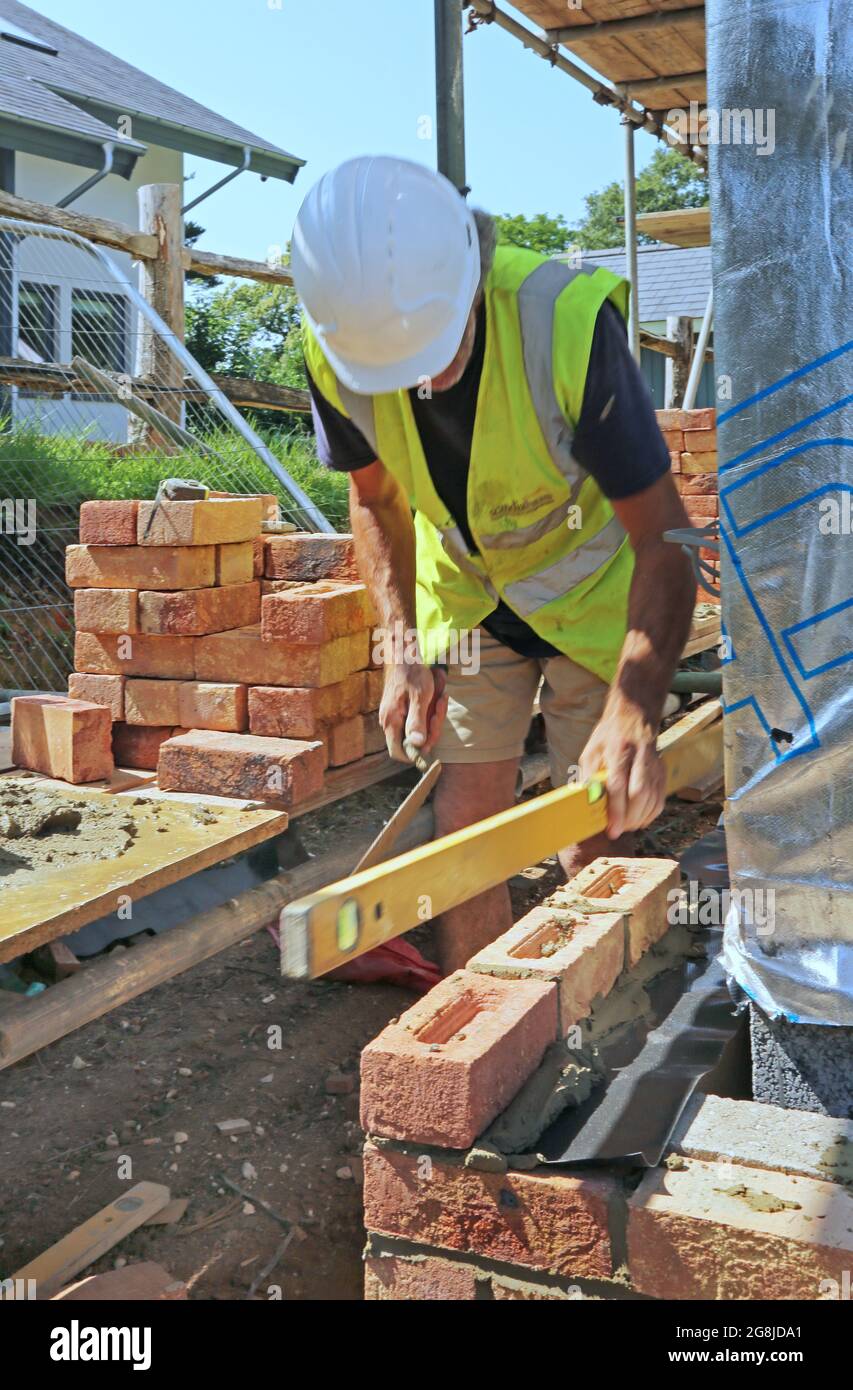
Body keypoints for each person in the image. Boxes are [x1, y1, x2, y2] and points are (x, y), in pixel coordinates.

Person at [292, 155, 694, 972]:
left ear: (473, 275)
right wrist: (401, 647)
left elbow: (666, 539)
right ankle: (483, 1031)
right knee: (466, 826)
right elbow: (375, 502)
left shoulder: (566, 322)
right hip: (472, 598)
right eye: (398, 368)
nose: (422, 381)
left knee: (594, 823)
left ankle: (597, 1037)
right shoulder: (335, 343)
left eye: (436, 353)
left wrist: (636, 708)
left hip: (595, 599)